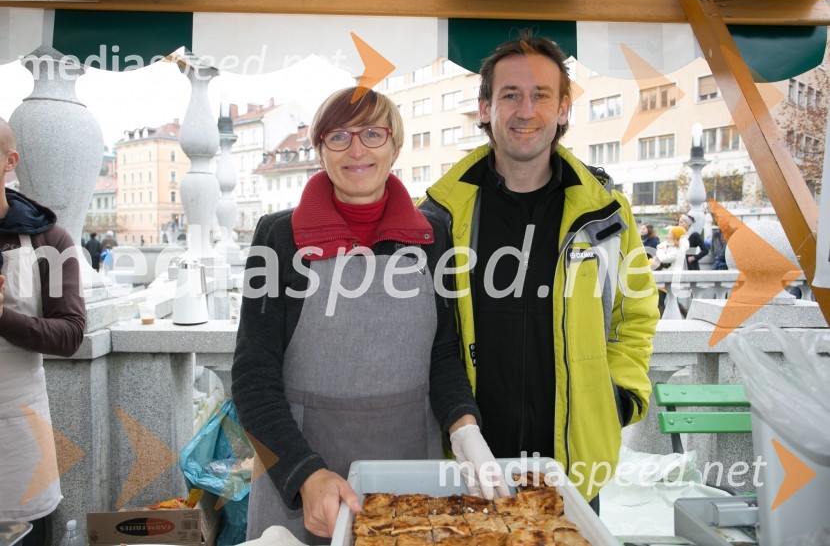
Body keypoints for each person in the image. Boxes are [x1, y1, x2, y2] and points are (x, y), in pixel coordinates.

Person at [232, 87, 504, 544]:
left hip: (409, 471)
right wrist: (305, 474)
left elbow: (443, 357)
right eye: (339, 136)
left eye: (373, 134)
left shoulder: (432, 235)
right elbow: (252, 377)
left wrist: (465, 428)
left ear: (396, 146)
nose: (357, 149)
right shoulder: (279, 237)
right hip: (302, 479)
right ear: (320, 150)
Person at [420, 29, 659, 510]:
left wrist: (620, 396)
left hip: (573, 468)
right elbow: (429, 336)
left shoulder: (606, 217)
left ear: (564, 108)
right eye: (510, 95)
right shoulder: (440, 216)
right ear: (485, 108)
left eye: (540, 96)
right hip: (470, 463)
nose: (525, 111)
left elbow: (635, 316)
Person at [0, 118, 85, 546]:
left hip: (15, 437)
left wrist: (2, 316)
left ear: (8, 161)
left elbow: (70, 333)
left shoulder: (50, 239)